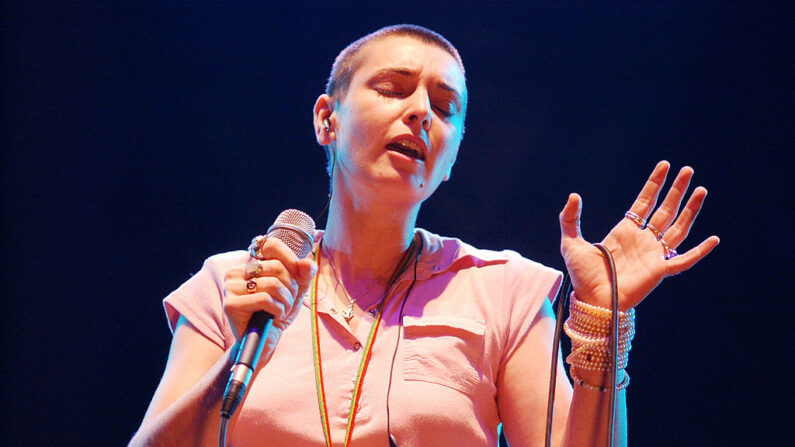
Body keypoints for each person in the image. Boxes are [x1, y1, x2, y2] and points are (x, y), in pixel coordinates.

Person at [129, 24, 719, 447]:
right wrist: (238, 351)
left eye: (445, 105)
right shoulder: (237, 282)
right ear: (325, 119)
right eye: (392, 88)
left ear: (452, 157)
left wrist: (601, 321)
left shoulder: (503, 292)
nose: (421, 112)